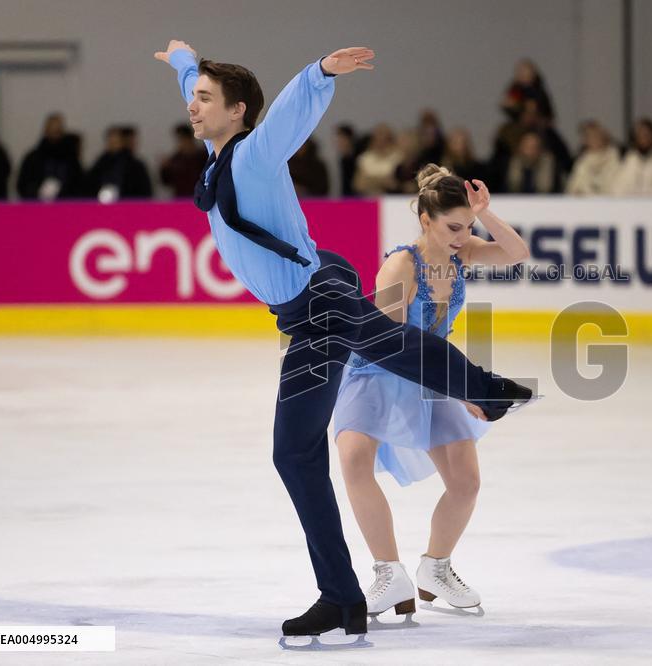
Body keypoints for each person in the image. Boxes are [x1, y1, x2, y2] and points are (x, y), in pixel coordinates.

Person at [153, 39, 531, 639]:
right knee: (376, 357)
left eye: (205, 99)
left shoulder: (253, 154)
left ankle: (341, 598)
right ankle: (485, 391)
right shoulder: (217, 150)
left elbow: (285, 118)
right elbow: (201, 94)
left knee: (327, 415)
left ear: (237, 113)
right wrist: (184, 62)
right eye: (193, 98)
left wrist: (318, 74)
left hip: (315, 299)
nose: (193, 106)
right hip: (312, 300)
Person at [333, 165, 529, 616]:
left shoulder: (462, 253)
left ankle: (435, 569)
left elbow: (516, 253)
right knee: (354, 460)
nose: (463, 236)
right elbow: (392, 347)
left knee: (466, 481)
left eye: (469, 227)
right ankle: (388, 573)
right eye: (453, 227)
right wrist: (464, 390)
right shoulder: (401, 265)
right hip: (379, 370)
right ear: (426, 220)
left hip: (434, 372)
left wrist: (487, 213)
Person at [17, 113, 85, 200]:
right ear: (46, 130)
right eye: (52, 129)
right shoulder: (33, 158)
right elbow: (22, 185)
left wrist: (63, 193)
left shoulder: (71, 159)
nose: (54, 133)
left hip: (65, 207)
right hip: (38, 207)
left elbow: (79, 184)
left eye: (57, 130)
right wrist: (38, 191)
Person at [611, 118, 652, 196]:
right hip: (630, 204)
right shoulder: (631, 158)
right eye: (639, 135)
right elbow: (618, 187)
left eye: (646, 135)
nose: (643, 139)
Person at [160, 123, 209, 197]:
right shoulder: (175, 159)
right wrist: (164, 168)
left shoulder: (203, 156)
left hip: (200, 197)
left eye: (183, 139)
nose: (181, 143)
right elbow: (167, 182)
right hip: (181, 198)